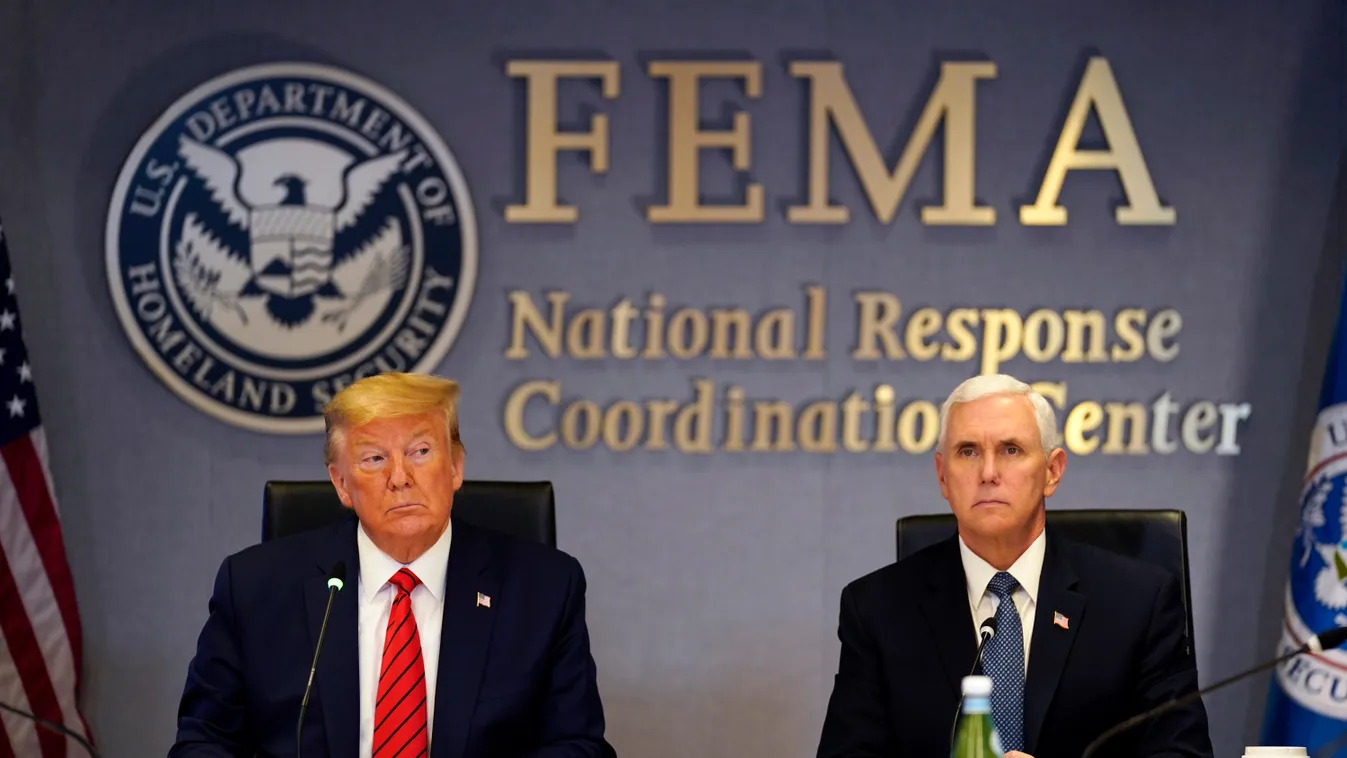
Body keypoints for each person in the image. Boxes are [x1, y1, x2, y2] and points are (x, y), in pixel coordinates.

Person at [170, 372, 616, 758]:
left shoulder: (542, 589)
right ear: (342, 484)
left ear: (457, 467)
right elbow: (204, 740)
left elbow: (577, 745)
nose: (400, 477)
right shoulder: (255, 587)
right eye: (374, 459)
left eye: (420, 451)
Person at [815, 374, 1213, 758]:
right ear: (942, 476)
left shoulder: (1137, 603)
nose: (988, 474)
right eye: (968, 451)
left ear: (1052, 471)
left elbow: (1181, 753)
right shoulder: (877, 609)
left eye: (1011, 450)